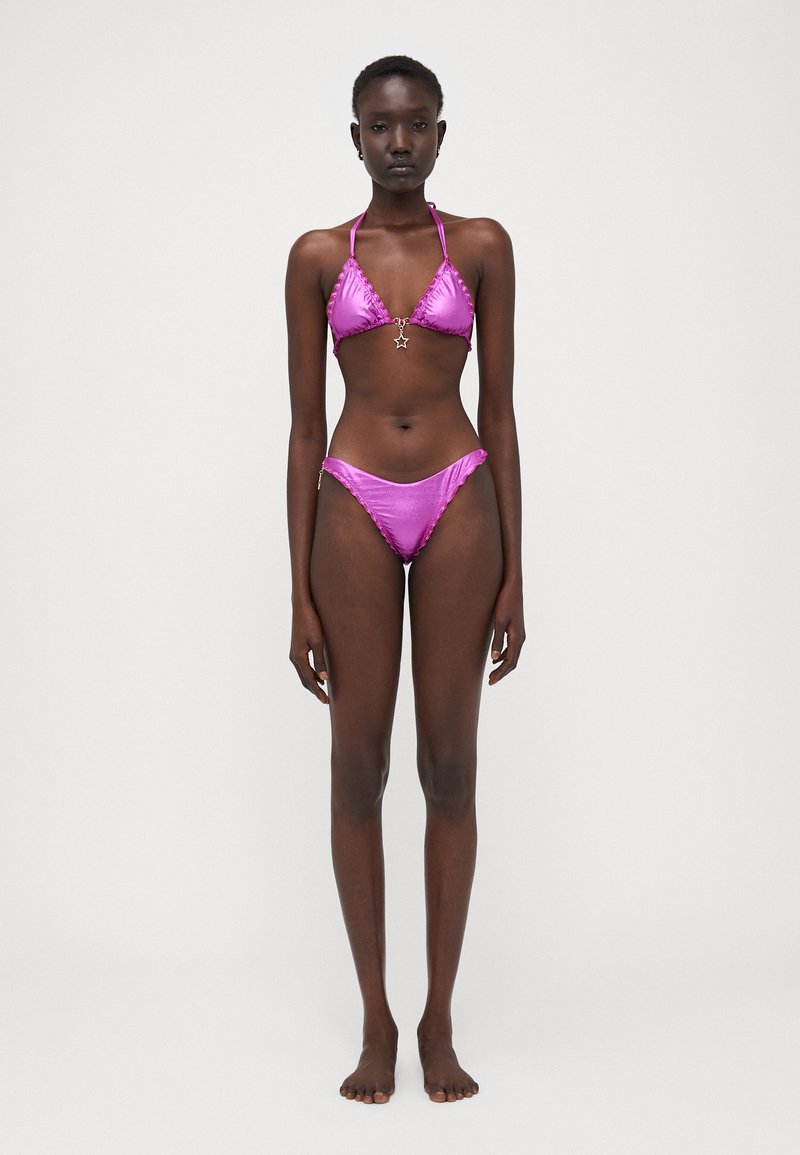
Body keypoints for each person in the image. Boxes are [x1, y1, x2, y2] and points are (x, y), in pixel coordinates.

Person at [285, 55, 524, 1105]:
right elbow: (302, 429)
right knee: (356, 766)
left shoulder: (479, 246)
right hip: (350, 497)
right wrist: (297, 589)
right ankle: (375, 1017)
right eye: (380, 126)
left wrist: (517, 573)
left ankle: (439, 1020)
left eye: (416, 124)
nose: (398, 142)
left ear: (439, 134)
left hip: (461, 493)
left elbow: (502, 411)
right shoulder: (314, 257)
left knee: (450, 766)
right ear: (354, 137)